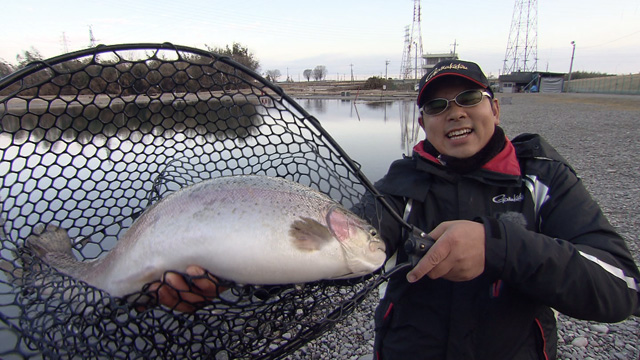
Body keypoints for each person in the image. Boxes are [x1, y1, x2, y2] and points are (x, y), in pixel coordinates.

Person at [153, 60, 640, 359]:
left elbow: (620, 289)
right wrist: (229, 280)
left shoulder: (543, 178)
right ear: (422, 121)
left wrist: (499, 248)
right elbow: (333, 262)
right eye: (435, 106)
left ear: (495, 108)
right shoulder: (398, 188)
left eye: (468, 98)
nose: (454, 112)